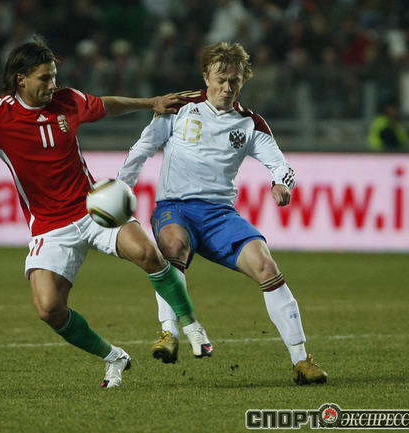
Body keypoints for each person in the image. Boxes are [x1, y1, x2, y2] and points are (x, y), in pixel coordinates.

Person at [0, 41, 212, 389]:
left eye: (54, 76)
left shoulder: (66, 100)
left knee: (149, 254)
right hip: (50, 226)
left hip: (93, 208)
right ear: (21, 79)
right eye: (45, 78)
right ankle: (113, 356)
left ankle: (192, 325)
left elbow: (105, 105)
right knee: (48, 308)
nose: (52, 84)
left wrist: (151, 103)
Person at [117, 41, 328, 385]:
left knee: (267, 266)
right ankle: (169, 334)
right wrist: (122, 187)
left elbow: (282, 165)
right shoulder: (179, 107)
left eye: (234, 81)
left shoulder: (250, 124)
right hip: (175, 207)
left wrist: (281, 183)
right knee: (174, 246)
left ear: (242, 82)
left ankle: (301, 360)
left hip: (220, 216)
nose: (227, 88)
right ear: (206, 77)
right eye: (220, 79)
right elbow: (143, 148)